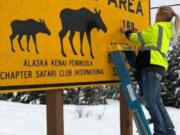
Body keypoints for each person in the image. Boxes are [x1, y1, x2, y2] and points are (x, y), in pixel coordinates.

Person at [121, 5, 180, 135]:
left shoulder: (157, 27)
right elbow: (147, 41)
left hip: (151, 65)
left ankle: (159, 131)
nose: (155, 16)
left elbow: (138, 38)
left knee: (150, 102)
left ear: (163, 16)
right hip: (157, 66)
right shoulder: (166, 29)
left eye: (157, 14)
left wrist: (127, 32)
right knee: (157, 102)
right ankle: (169, 130)